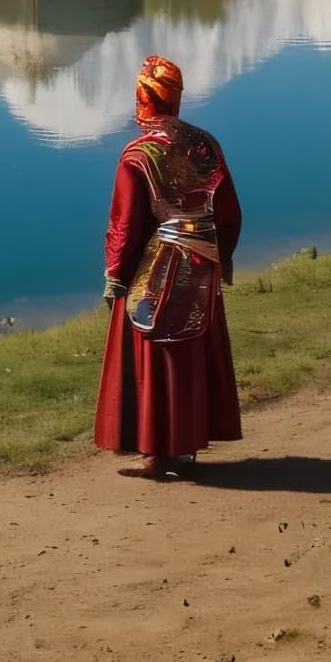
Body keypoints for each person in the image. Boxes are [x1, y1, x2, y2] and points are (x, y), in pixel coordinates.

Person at [94, 55, 243, 479]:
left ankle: (156, 454)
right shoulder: (205, 145)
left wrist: (116, 276)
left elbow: (125, 223)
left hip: (158, 264)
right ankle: (186, 447)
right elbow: (229, 212)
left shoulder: (138, 154)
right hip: (203, 259)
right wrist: (220, 256)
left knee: (153, 351)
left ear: (143, 97)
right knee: (191, 348)